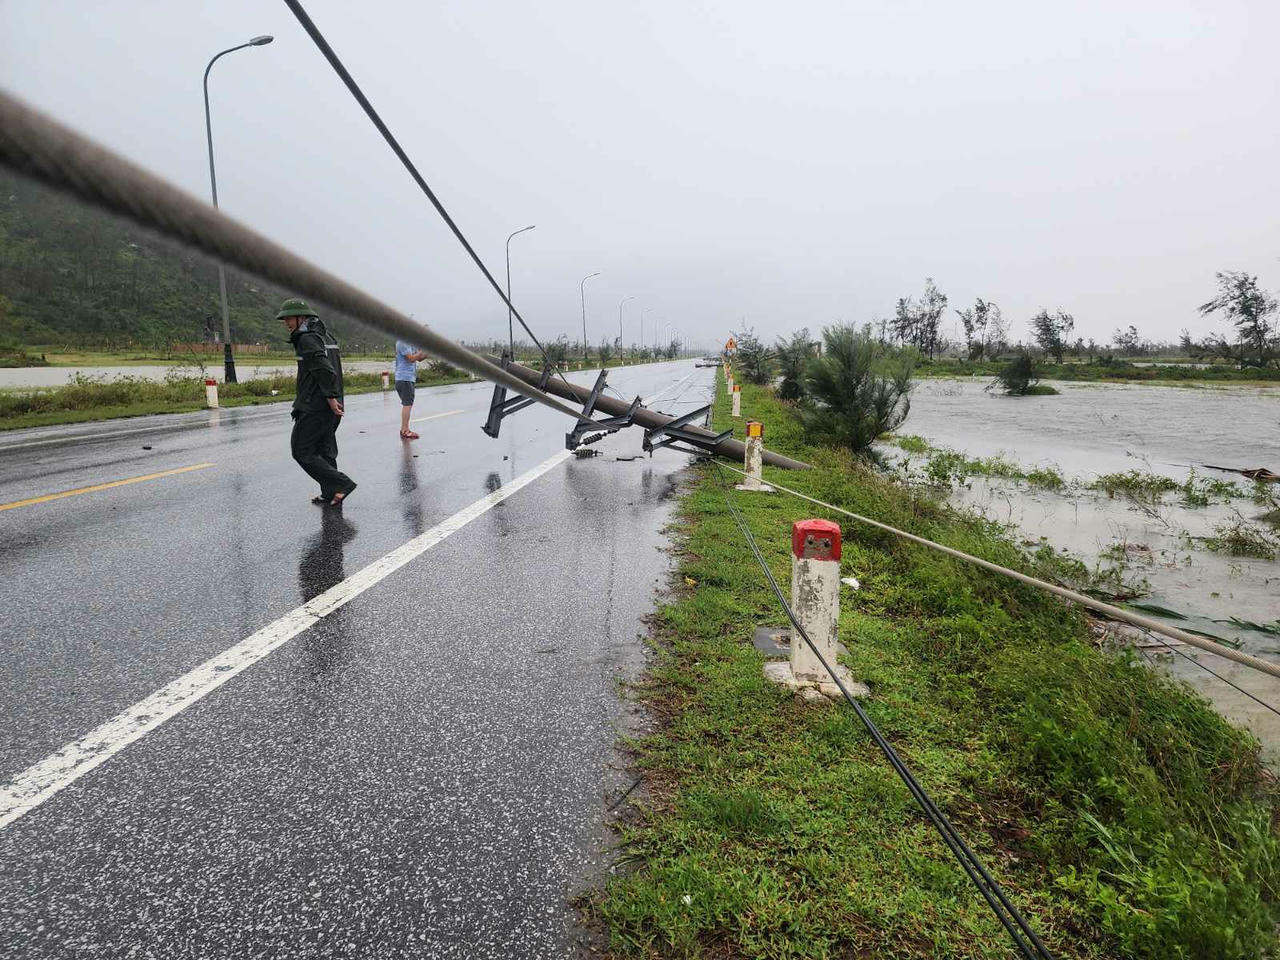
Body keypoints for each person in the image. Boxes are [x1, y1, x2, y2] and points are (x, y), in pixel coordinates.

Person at [278, 298, 357, 506]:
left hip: (317, 404)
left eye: (289, 318)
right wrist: (334, 397)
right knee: (325, 448)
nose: (286, 323)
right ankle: (330, 492)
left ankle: (343, 484)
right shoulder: (325, 335)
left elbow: (324, 369)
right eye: (284, 319)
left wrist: (330, 398)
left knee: (301, 449)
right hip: (332, 401)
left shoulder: (307, 338)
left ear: (302, 317)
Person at [394, 339, 429, 439]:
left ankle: (404, 429)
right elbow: (411, 358)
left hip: (409, 377)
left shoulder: (410, 343)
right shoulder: (402, 342)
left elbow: (420, 358)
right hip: (404, 378)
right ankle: (405, 430)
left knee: (408, 403)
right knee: (407, 404)